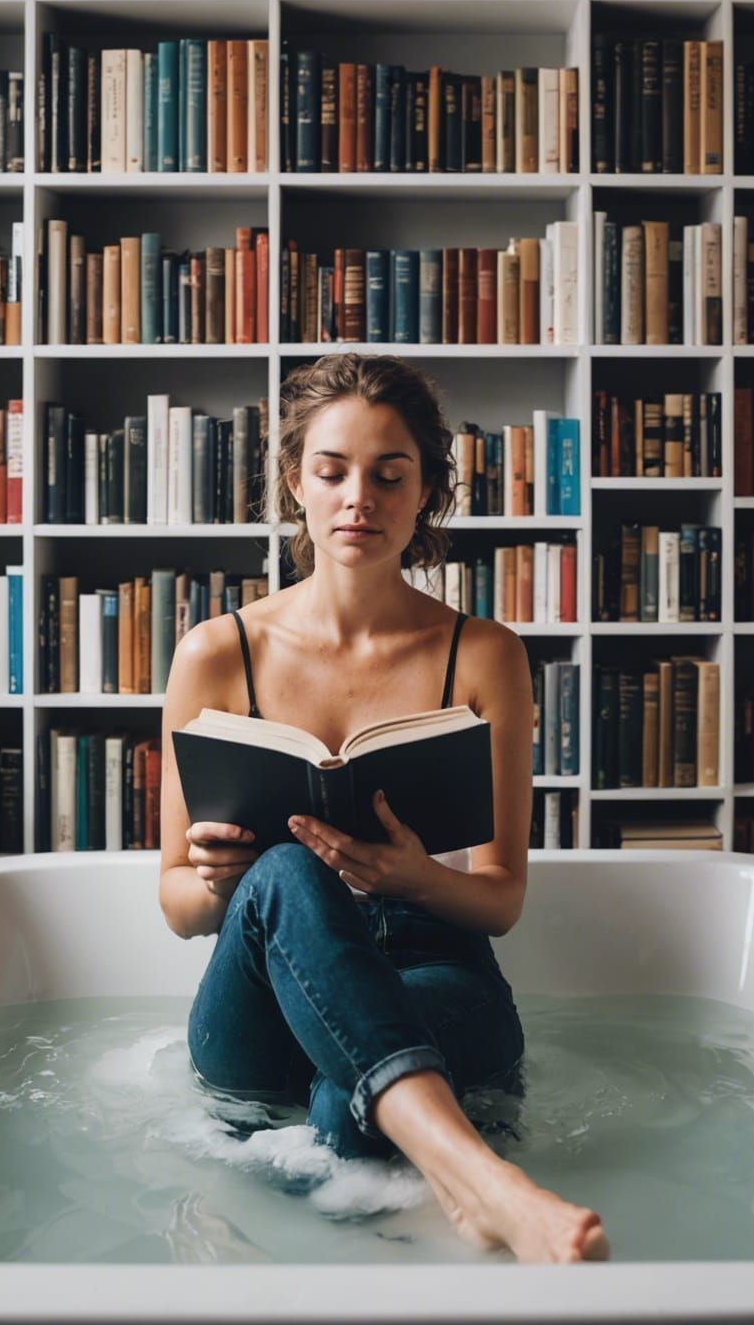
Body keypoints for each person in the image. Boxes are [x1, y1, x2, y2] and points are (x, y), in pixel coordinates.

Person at [157, 352, 609, 1264]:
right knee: (286, 869)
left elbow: (502, 900)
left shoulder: (485, 656)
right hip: (261, 997)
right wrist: (216, 877)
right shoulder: (213, 654)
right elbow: (176, 906)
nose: (357, 497)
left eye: (389, 475)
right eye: (331, 472)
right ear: (297, 484)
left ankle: (421, 1153)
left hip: (432, 966)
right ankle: (483, 1184)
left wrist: (414, 879)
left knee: (342, 1109)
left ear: (426, 492)